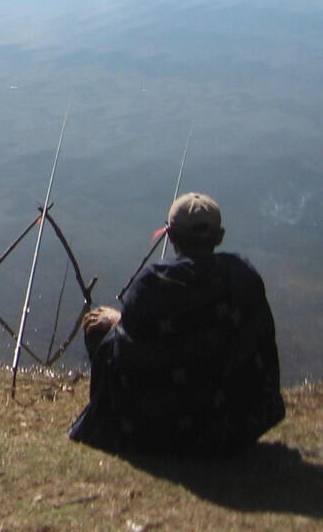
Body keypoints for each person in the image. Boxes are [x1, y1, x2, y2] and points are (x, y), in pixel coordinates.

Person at [69, 192, 284, 455]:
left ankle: (112, 420)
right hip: (233, 424)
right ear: (220, 237)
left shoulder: (153, 282)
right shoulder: (242, 274)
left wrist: (117, 321)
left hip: (157, 429)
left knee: (100, 328)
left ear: (170, 236)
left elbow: (132, 344)